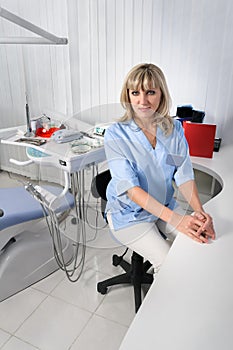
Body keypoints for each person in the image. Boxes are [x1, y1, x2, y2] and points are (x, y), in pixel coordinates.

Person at [104, 63, 215, 270]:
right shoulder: (116, 135)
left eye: (151, 92)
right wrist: (177, 220)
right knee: (168, 263)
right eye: (135, 92)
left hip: (164, 205)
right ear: (127, 95)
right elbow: (133, 190)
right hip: (130, 215)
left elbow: (182, 174)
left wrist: (200, 212)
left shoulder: (172, 131)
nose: (142, 101)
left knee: (198, 241)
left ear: (161, 94)